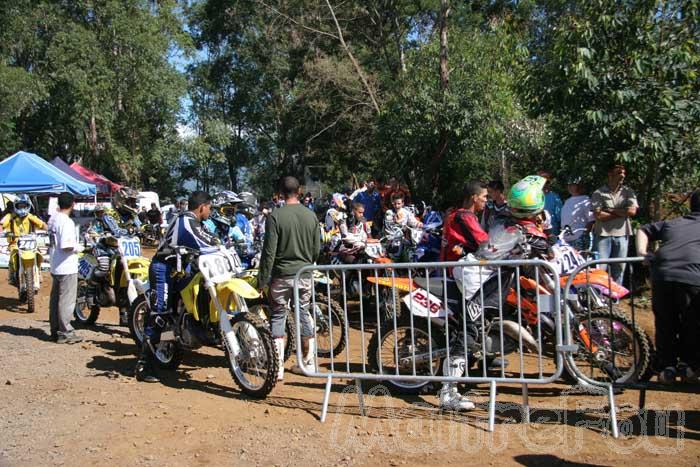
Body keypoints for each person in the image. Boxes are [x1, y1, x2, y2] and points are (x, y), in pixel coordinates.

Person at [135, 191, 220, 382]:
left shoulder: (198, 223)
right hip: (163, 268)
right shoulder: (185, 221)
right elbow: (205, 243)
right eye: (210, 208)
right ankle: (144, 365)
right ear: (202, 207)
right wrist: (219, 247)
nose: (210, 211)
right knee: (159, 312)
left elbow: (213, 238)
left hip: (180, 269)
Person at [258, 176, 321, 381]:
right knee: (303, 312)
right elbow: (316, 250)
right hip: (304, 274)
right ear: (299, 191)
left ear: (280, 193)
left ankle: (277, 369)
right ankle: (308, 363)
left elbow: (269, 253)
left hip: (281, 276)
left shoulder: (275, 216)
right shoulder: (311, 216)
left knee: (278, 315)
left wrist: (262, 280)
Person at [636, 190, 700, 384]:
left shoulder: (674, 222)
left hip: (662, 274)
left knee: (665, 323)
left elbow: (643, 230)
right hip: (692, 275)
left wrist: (642, 253)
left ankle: (667, 368)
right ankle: (690, 367)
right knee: (693, 322)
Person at [437, 181, 489, 411]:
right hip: (465, 276)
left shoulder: (457, 215)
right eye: (484, 196)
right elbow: (484, 242)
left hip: (461, 273)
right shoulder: (464, 217)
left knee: (472, 326)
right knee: (469, 329)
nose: (486, 200)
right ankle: (448, 392)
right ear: (473, 197)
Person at [591, 163, 638, 285]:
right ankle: (600, 299)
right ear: (610, 174)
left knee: (619, 268)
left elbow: (632, 211)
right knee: (600, 268)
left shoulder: (628, 191)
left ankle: (615, 299)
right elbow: (599, 215)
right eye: (619, 173)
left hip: (622, 234)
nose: (622, 175)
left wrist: (610, 210)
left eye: (624, 173)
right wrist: (622, 213)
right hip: (603, 235)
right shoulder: (599, 193)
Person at [47, 193, 82, 344]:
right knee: (66, 301)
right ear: (72, 204)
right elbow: (67, 246)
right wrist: (79, 247)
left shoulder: (53, 218)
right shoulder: (66, 222)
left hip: (55, 264)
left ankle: (55, 330)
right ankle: (65, 332)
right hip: (66, 266)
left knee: (55, 300)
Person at [0, 194, 48, 285]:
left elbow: (42, 224)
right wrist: (2, 231)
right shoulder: (10, 216)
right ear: (16, 206)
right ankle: (12, 274)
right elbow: (2, 225)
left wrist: (50, 230)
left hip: (30, 242)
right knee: (12, 256)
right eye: (20, 206)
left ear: (28, 206)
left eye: (24, 206)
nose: (22, 208)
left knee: (38, 254)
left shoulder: (30, 217)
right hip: (15, 243)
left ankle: (38, 271)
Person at [560, 176, 594, 251]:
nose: (570, 187)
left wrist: (584, 235)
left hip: (579, 238)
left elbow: (591, 220)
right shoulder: (567, 201)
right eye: (569, 185)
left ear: (579, 186)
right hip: (565, 239)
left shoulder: (585, 200)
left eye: (573, 185)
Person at [537, 171, 563, 236]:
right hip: (537, 228)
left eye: (547, 182)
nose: (545, 184)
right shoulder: (533, 196)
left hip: (552, 230)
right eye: (542, 182)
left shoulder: (555, 196)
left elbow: (559, 216)